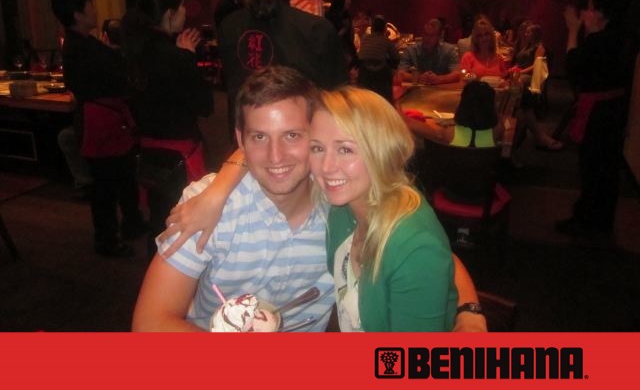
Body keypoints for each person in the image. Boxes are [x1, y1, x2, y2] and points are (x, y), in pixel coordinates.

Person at [148, 67, 487, 332]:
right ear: (241, 139)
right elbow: (150, 322)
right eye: (259, 137)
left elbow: (427, 254)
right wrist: (220, 189)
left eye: (292, 135)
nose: (276, 156)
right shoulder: (207, 206)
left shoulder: (336, 198)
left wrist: (470, 315)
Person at [311, 86, 458, 331]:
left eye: (345, 149)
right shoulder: (343, 208)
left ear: (381, 151)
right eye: (317, 148)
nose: (326, 167)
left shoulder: (415, 247)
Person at [217, 0, 348, 136]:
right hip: (300, 149)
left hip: (246, 146)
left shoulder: (228, 27)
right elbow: (339, 108)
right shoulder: (317, 30)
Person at [121, 0, 213, 257]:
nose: (186, 13)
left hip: (148, 153)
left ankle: (155, 272)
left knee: (158, 220)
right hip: (180, 155)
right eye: (182, 7)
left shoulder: (132, 52)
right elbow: (205, 106)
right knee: (182, 220)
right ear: (170, 14)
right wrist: (187, 58)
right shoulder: (175, 57)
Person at [51, 0, 145, 258]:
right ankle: (107, 240)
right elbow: (115, 77)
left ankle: (132, 223)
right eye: (90, 6)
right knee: (105, 185)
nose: (94, 10)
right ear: (78, 14)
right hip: (99, 121)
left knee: (124, 176)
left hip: (106, 117)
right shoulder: (79, 48)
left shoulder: (83, 43)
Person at [556, 0, 639, 238]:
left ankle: (588, 223)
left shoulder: (602, 40)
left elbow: (574, 69)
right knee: (607, 169)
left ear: (603, 11)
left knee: (592, 167)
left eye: (594, 8)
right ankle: (600, 223)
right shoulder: (626, 37)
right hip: (616, 109)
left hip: (598, 113)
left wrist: (574, 30)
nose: (589, 12)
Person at [510, 22, 563, 151]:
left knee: (517, 84)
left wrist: (520, 71)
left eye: (529, 32)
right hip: (521, 73)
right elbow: (519, 61)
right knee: (514, 86)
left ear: (536, 34)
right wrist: (514, 68)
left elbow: (537, 66)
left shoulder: (539, 47)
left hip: (532, 76)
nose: (526, 34)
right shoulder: (527, 46)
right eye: (526, 32)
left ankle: (515, 111)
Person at [403, 80, 504, 148]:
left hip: (448, 174)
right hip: (484, 174)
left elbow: (409, 122)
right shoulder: (497, 131)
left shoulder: (447, 134)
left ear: (462, 104)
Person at [398, 19, 460, 85]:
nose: (427, 38)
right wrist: (419, 78)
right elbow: (400, 74)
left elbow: (457, 74)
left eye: (432, 35)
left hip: (441, 89)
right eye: (425, 34)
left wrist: (438, 79)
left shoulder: (449, 50)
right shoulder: (411, 50)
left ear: (439, 37)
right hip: (417, 89)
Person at [356, 14, 399, 102]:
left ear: (371, 29)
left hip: (363, 72)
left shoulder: (364, 38)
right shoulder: (386, 41)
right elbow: (396, 57)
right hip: (380, 74)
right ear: (384, 29)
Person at [325, 0, 357, 68]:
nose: (349, 2)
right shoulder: (331, 15)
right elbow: (330, 38)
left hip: (347, 54)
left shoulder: (346, 15)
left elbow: (350, 38)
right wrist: (344, 29)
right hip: (335, 55)